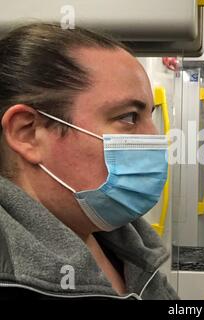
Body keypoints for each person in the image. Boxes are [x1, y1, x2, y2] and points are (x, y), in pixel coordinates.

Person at [0, 23, 178, 299]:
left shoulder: (125, 242)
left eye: (150, 117)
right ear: (28, 133)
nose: (155, 139)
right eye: (129, 117)